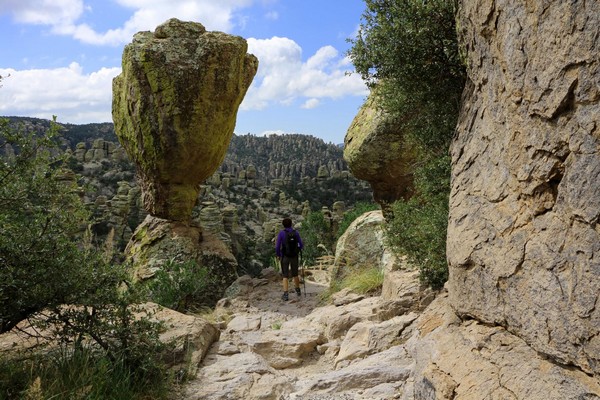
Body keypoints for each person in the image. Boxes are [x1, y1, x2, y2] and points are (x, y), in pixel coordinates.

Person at [275, 217, 304, 301]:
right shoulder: (296, 233)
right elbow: (301, 244)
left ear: (283, 225)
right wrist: (298, 250)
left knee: (285, 275)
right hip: (294, 256)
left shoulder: (281, 233)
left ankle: (286, 294)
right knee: (295, 274)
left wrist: (278, 254)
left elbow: (277, 246)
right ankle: (298, 290)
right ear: (291, 224)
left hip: (285, 256)